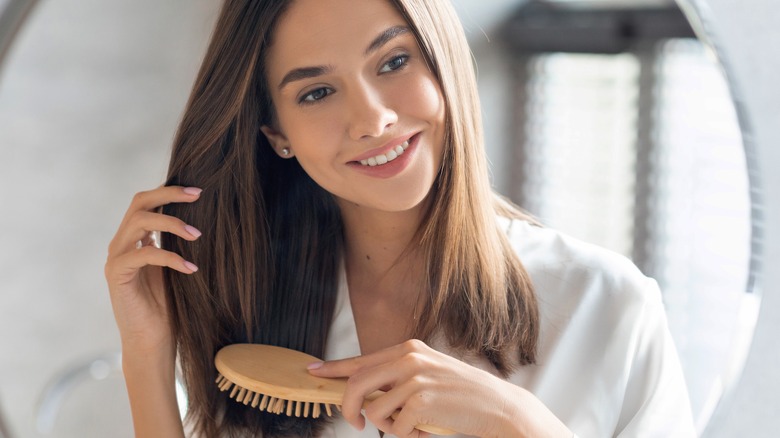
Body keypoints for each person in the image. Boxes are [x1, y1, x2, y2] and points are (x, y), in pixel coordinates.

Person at [104, 0, 696, 436]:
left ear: (443, 62)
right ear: (277, 135)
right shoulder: (256, 319)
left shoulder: (608, 306)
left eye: (393, 61)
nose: (372, 118)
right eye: (316, 93)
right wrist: (146, 355)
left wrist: (521, 425)